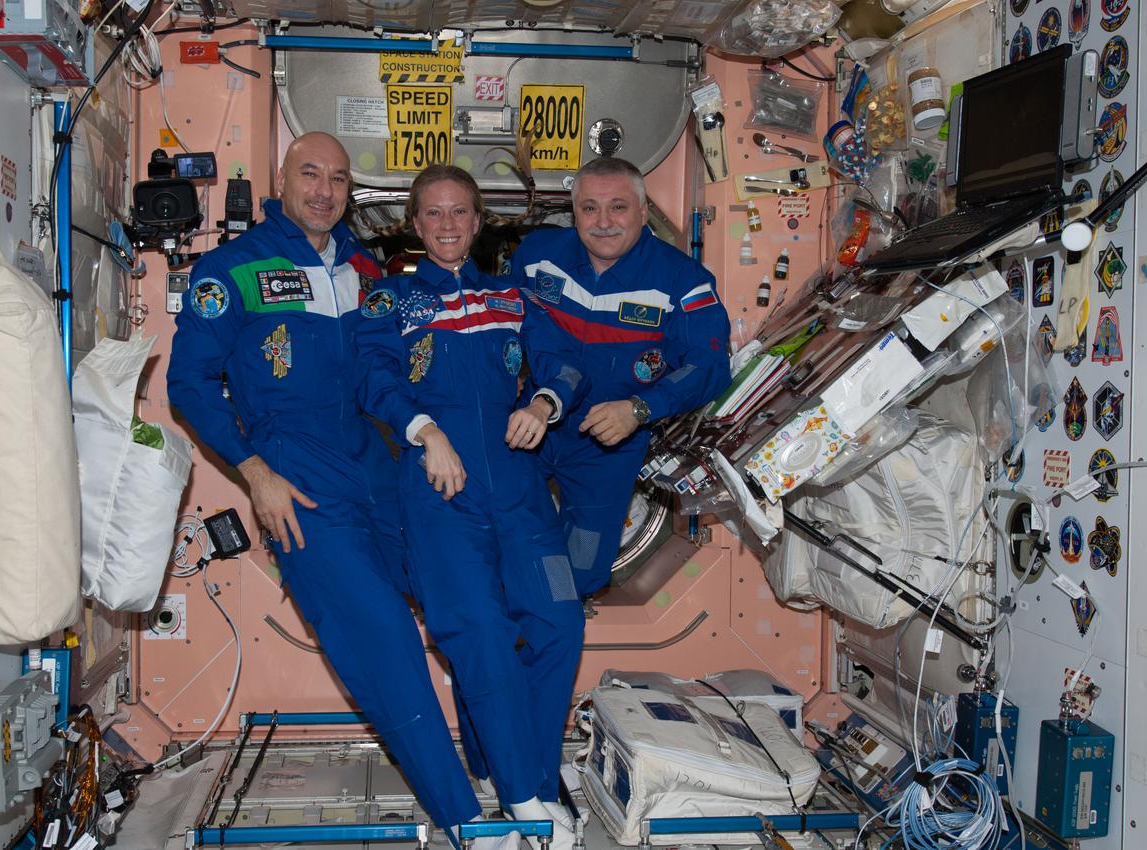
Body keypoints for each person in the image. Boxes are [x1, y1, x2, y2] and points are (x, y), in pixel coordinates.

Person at [166, 133, 489, 843]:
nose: (324, 189)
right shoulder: (232, 269)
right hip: (299, 484)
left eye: (339, 179)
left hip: (379, 471)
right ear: (281, 178)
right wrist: (255, 475)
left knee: (464, 602)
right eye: (309, 173)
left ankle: (501, 770)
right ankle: (465, 821)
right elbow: (187, 382)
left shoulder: (370, 270)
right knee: (385, 639)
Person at [355, 165, 586, 849]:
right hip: (440, 493)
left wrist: (544, 403)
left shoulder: (516, 296)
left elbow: (565, 362)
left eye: (460, 213)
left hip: (519, 492)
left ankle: (519, 773)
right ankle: (525, 798)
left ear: (479, 221)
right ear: (415, 224)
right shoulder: (387, 301)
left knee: (559, 621)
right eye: (433, 214)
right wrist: (425, 432)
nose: (448, 225)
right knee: (479, 632)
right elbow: (373, 376)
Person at [512, 156, 733, 598]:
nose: (603, 222)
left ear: (644, 209)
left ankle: (556, 613)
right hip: (534, 425)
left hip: (609, 443)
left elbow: (710, 367)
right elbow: (507, 328)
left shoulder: (682, 281)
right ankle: (512, 619)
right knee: (503, 527)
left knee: (582, 559)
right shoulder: (537, 256)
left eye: (618, 207)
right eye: (589, 208)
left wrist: (640, 409)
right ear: (573, 211)